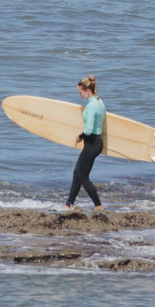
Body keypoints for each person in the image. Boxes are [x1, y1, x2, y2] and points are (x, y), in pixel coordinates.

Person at [65, 75, 105, 211]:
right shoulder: (100, 102)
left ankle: (98, 205)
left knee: (82, 175)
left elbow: (88, 130)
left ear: (87, 90)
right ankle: (68, 204)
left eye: (80, 92)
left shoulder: (92, 106)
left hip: (92, 143)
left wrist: (80, 136)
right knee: (78, 173)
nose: (80, 95)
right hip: (97, 142)